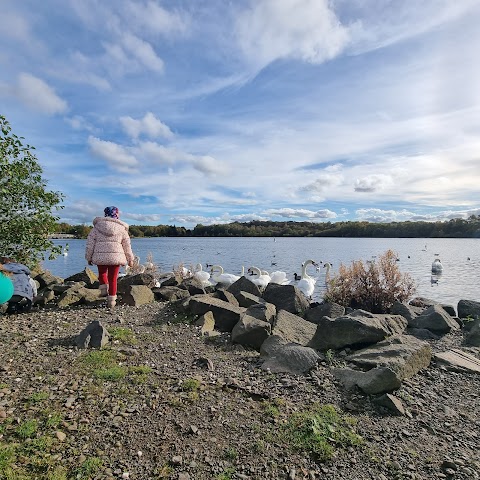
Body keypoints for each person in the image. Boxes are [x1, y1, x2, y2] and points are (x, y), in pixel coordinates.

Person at [85, 206, 135, 309]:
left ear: (105, 214)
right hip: (116, 257)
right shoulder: (122, 229)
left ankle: (104, 291)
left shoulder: (96, 228)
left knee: (102, 273)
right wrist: (130, 259)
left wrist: (88, 257)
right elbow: (127, 246)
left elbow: (90, 244)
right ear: (117, 215)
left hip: (100, 256)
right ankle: (112, 301)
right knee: (113, 279)